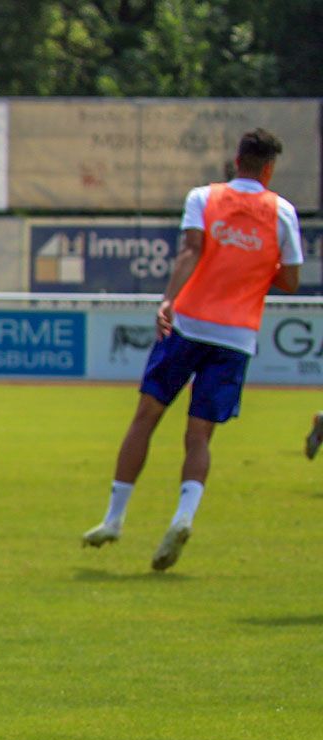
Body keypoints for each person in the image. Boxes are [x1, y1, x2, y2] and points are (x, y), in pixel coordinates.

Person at [83, 129, 304, 570]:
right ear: (269, 169)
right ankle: (183, 517)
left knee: (145, 417)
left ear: (236, 160)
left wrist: (167, 299)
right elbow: (291, 279)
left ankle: (113, 519)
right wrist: (256, 267)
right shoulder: (282, 212)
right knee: (199, 435)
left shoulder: (203, 197)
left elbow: (190, 251)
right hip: (236, 337)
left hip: (188, 325)